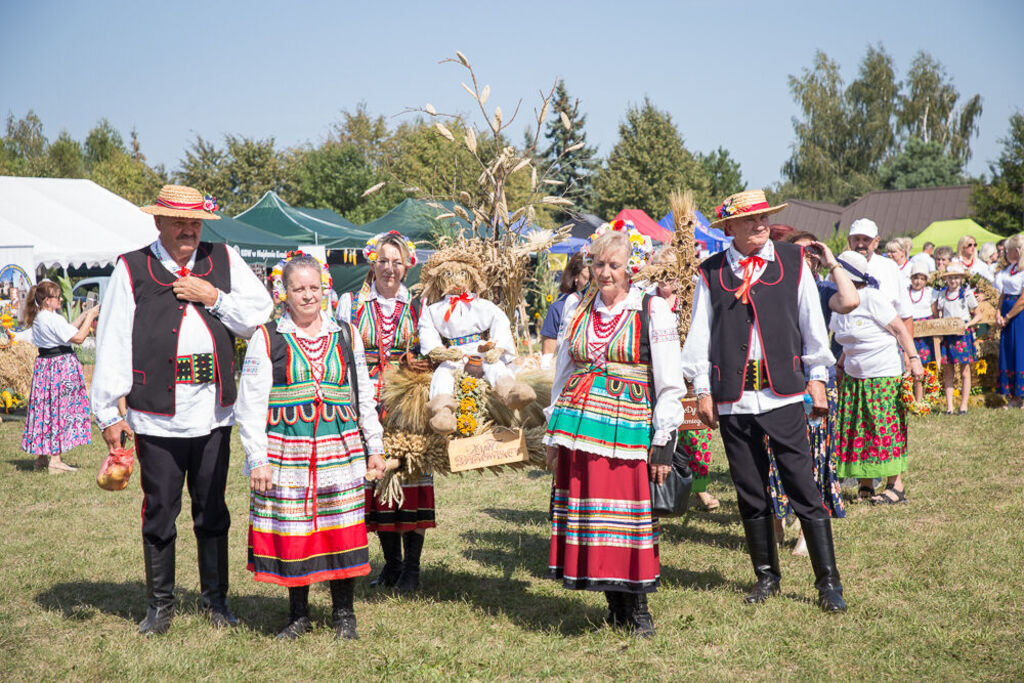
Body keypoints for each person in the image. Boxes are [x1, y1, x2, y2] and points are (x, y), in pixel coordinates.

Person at [92, 185, 273, 635]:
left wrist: (213, 297)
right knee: (160, 512)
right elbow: (113, 339)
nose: (190, 230)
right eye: (179, 222)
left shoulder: (222, 259)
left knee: (212, 510)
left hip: (213, 412)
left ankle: (217, 602)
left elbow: (260, 313)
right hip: (158, 414)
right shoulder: (132, 267)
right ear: (159, 223)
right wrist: (109, 414)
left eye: (195, 222)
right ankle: (160, 606)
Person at [681, 190, 846, 613]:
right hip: (735, 399)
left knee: (803, 487)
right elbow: (699, 334)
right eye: (750, 220)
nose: (760, 225)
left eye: (764, 218)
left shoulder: (792, 262)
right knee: (750, 491)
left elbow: (813, 324)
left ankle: (828, 583)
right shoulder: (712, 272)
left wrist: (818, 378)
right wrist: (702, 388)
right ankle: (766, 577)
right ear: (729, 229)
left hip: (784, 394)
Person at [544, 222, 684, 637]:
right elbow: (562, 371)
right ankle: (613, 604)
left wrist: (664, 440)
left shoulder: (650, 309)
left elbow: (670, 380)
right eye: (599, 264)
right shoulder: (576, 309)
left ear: (631, 268)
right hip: (577, 425)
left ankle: (638, 607)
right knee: (590, 516)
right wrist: (551, 432)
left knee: (626, 515)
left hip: (628, 427)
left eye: (615, 265)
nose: (606, 273)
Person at [236, 253, 385, 640]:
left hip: (341, 450)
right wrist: (258, 459)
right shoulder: (267, 338)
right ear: (282, 292)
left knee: (342, 528)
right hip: (289, 453)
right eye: (298, 288)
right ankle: (298, 614)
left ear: (325, 289)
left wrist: (376, 447)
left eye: (314, 288)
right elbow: (249, 405)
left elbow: (363, 396)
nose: (307, 296)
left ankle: (344, 615)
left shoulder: (346, 334)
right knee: (295, 529)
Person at [336, 231, 434, 592]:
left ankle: (412, 568)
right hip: (366, 401)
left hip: (408, 402)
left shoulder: (420, 307)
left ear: (407, 266)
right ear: (371, 264)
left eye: (397, 262)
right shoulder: (351, 304)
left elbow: (432, 351)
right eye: (383, 261)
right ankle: (391, 563)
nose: (389, 269)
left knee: (411, 478)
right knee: (377, 480)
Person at [779, 232, 859, 555]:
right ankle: (777, 520)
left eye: (810, 253)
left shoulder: (823, 287)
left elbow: (851, 300)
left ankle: (805, 532)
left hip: (818, 384)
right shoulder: (777, 286)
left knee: (814, 456)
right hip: (781, 383)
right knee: (776, 456)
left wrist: (831, 260)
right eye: (798, 252)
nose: (805, 258)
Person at [830, 251, 924, 505]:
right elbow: (845, 340)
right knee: (859, 430)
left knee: (884, 429)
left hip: (882, 376)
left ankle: (896, 486)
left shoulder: (872, 298)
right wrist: (840, 365)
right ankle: (866, 485)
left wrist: (913, 358)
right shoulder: (837, 303)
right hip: (853, 376)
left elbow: (898, 328)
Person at [647, 246, 719, 512]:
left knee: (696, 440)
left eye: (674, 277)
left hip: (687, 381)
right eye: (664, 278)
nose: (670, 284)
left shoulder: (689, 304)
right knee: (663, 435)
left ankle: (700, 488)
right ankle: (662, 487)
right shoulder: (647, 303)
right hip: (657, 380)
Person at [20, 280, 100, 472]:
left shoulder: (42, 317)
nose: (61, 299)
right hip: (59, 367)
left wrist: (84, 315)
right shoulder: (51, 318)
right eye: (57, 297)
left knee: (45, 410)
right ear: (47, 300)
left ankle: (42, 457)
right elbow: (79, 338)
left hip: (46, 366)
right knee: (59, 411)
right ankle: (55, 459)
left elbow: (67, 329)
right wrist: (91, 317)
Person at [848, 219, 914, 343]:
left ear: (876, 242)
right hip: (849, 351)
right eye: (856, 239)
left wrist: (909, 355)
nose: (860, 244)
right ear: (849, 241)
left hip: (885, 350)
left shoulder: (889, 268)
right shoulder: (838, 270)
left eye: (866, 239)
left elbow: (906, 315)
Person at [934, 263, 983, 415]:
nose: (953, 281)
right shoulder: (942, 295)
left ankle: (963, 406)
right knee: (948, 371)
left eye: (956, 278)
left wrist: (967, 324)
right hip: (948, 336)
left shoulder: (966, 294)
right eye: (950, 278)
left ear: (961, 279)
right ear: (946, 279)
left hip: (963, 335)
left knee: (965, 371)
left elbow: (978, 315)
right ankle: (949, 407)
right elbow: (938, 314)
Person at [540, 252, 590, 370]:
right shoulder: (559, 308)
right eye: (590, 271)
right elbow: (548, 354)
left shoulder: (604, 306)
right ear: (575, 277)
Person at [994, 234, 1024, 407]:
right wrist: (998, 313)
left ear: (1017, 251)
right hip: (1006, 312)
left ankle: (1020, 395)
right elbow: (1003, 293)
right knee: (1009, 352)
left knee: (1020, 352)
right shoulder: (1009, 269)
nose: (1005, 253)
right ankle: (1014, 395)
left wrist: (1007, 316)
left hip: (1019, 316)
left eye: (1008, 250)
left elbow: (1022, 299)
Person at [907, 261, 937, 402]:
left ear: (926, 280)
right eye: (915, 278)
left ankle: (923, 398)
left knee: (924, 365)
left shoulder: (930, 293)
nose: (918, 281)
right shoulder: (905, 292)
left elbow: (936, 313)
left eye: (921, 278)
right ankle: (910, 398)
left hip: (926, 333)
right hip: (910, 331)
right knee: (910, 366)